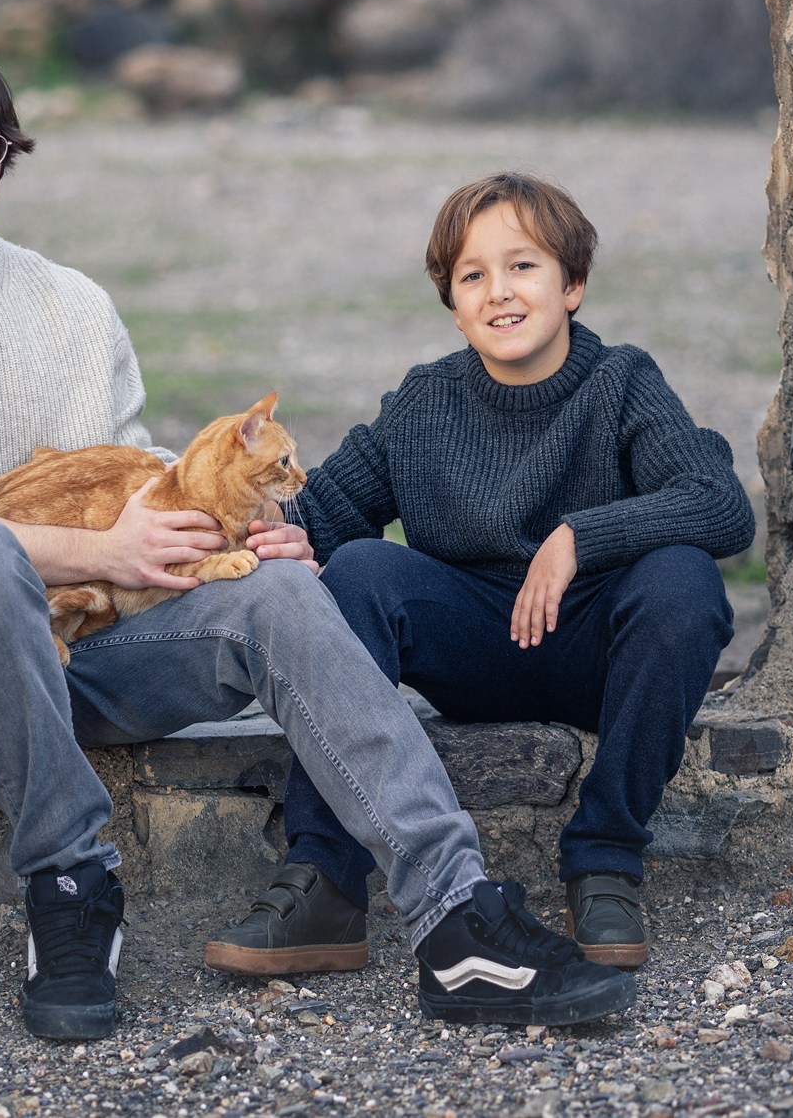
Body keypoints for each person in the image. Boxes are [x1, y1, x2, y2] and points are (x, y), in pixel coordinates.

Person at [0, 32, 636, 1040]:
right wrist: (102, 554)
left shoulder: (71, 305)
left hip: (83, 645)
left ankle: (455, 916)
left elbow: (136, 489)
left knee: (284, 587)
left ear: (5, 151)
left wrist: (245, 544)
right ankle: (72, 887)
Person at [207, 172, 753, 974]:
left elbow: (720, 506)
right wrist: (273, 531)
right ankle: (324, 876)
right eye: (472, 275)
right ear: (452, 302)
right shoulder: (425, 402)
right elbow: (321, 514)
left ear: (572, 285)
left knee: (683, 581)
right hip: (472, 647)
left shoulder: (622, 382)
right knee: (357, 569)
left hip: (597, 650)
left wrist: (576, 535)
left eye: (523, 266)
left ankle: (605, 856)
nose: (499, 292)